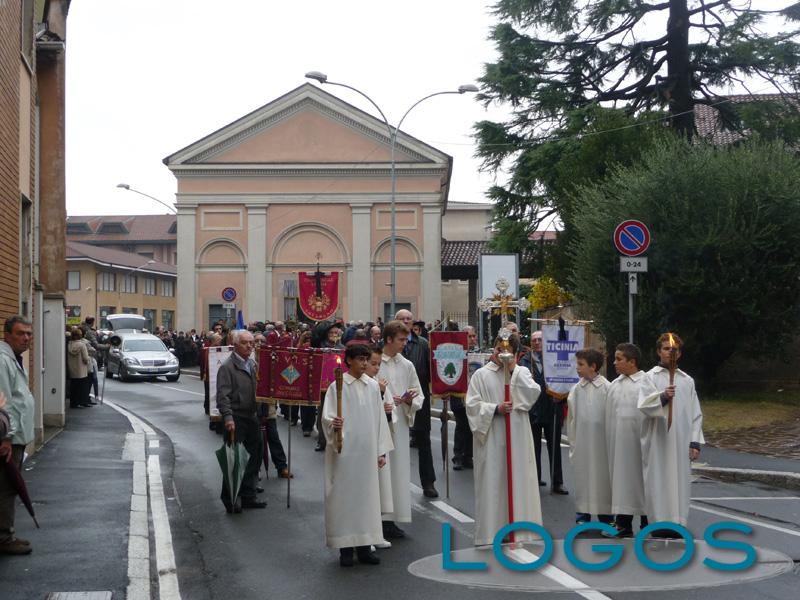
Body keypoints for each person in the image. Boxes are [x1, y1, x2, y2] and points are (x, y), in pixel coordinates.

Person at [465, 333, 542, 545]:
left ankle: (521, 530)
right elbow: (472, 406)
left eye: (507, 352)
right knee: (493, 480)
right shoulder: (481, 375)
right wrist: (495, 408)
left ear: (516, 354)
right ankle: (492, 532)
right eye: (499, 350)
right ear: (494, 349)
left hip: (516, 434)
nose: (502, 355)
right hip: (491, 435)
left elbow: (532, 394)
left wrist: (512, 370)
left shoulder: (521, 372)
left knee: (518, 479)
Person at [322, 344, 393, 567]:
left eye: (366, 359)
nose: (364, 364)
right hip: (345, 453)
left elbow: (380, 420)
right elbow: (327, 417)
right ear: (349, 361)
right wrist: (334, 425)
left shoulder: (372, 386)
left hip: (367, 452)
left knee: (366, 499)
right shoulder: (337, 386)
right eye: (360, 359)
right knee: (345, 498)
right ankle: (345, 548)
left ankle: (364, 546)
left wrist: (381, 451)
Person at [638, 333, 704, 535]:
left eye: (673, 349)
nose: (670, 352)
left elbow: (695, 413)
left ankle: (677, 522)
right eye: (666, 348)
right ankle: (657, 522)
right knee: (658, 479)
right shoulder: (649, 377)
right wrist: (664, 397)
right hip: (658, 439)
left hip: (681, 439)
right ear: (659, 351)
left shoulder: (687, 381)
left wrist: (694, 442)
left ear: (680, 354)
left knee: (680, 480)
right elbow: (644, 405)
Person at [378, 321, 422, 539]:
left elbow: (418, 392)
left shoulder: (407, 365)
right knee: (381, 470)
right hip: (379, 423)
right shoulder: (375, 362)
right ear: (389, 339)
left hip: (400, 425)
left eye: (406, 340)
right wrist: (385, 399)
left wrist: (407, 401)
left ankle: (391, 518)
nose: (405, 344)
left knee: (397, 471)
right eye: (401, 340)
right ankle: (377, 517)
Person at [216, 329, 267, 511]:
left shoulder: (252, 364)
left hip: (252, 416)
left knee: (254, 457)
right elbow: (223, 396)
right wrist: (228, 417)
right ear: (236, 345)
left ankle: (248, 495)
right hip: (236, 417)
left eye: (251, 343)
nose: (249, 346)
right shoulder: (227, 367)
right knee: (234, 460)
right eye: (245, 343)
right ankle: (230, 499)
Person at [0, 315, 35, 554]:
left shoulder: (13, 358)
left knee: (9, 486)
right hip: (9, 439)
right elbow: (5, 402)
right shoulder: (3, 360)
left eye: (29, 334)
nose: (26, 338)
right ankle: (4, 539)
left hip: (15, 436)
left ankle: (6, 534)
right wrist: (7, 437)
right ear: (7, 335)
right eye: (20, 333)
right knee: (7, 487)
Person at [606, 343, 648, 537]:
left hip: (639, 444)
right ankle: (623, 523)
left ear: (632, 362)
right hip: (618, 443)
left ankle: (647, 524)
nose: (615, 363)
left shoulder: (646, 383)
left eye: (619, 359)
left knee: (642, 482)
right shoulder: (615, 384)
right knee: (622, 482)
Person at [566, 348, 612, 525]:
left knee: (603, 482)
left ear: (593, 367)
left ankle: (606, 517)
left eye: (580, 364)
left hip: (602, 444)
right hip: (583, 443)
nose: (577, 368)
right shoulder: (576, 389)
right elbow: (572, 419)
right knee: (583, 479)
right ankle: (583, 516)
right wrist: (573, 442)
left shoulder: (608, 388)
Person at [395, 309, 438, 498]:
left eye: (409, 319)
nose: (406, 321)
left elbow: (432, 372)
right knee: (394, 442)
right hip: (395, 400)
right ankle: (394, 484)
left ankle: (428, 483)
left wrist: (440, 388)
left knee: (423, 441)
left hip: (418, 399)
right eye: (402, 319)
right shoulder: (387, 345)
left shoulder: (423, 345)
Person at [520, 331, 568, 494]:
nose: (537, 343)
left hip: (552, 408)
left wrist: (561, 397)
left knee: (554, 447)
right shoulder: (525, 360)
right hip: (533, 409)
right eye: (534, 340)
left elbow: (564, 378)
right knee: (533, 449)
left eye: (540, 339)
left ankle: (557, 482)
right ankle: (535, 479)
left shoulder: (555, 359)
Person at [365, 346, 393, 550]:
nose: (376, 368)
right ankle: (365, 534)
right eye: (373, 364)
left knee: (378, 492)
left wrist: (388, 409)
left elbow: (389, 416)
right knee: (365, 492)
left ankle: (376, 532)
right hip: (363, 444)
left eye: (378, 365)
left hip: (378, 443)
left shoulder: (379, 385)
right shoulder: (358, 385)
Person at [313, 322, 344, 450]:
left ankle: (339, 438)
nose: (333, 335)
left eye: (335, 333)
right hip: (323, 386)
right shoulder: (320, 347)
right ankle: (322, 440)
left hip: (339, 385)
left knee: (339, 413)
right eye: (331, 333)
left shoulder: (343, 348)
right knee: (322, 414)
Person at [451, 325, 474, 471]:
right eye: (468, 336)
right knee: (462, 425)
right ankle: (458, 456)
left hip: (474, 396)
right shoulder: (455, 353)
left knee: (472, 426)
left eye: (473, 336)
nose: (471, 339)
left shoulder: (479, 354)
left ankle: (468, 456)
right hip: (459, 396)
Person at [67, 327, 92, 408]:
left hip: (72, 369)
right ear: (80, 335)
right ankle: (81, 402)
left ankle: (73, 403)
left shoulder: (69, 344)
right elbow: (85, 358)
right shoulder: (82, 345)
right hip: (81, 370)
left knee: (73, 387)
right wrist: (89, 359)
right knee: (82, 387)